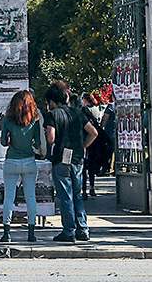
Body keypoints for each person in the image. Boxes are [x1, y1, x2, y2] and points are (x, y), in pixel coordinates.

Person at [44, 81, 98, 243]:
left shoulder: (52, 115)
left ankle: (69, 231)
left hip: (61, 157)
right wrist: (83, 146)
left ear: (52, 101)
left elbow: (51, 138)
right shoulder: (77, 113)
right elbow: (93, 132)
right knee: (77, 194)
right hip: (78, 157)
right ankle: (83, 228)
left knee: (65, 195)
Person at [0, 89, 43, 243]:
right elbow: (37, 143)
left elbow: (3, 142)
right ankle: (31, 233)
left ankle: (6, 233)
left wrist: (11, 140)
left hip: (11, 160)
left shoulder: (8, 120)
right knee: (31, 197)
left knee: (9, 197)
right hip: (29, 161)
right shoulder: (34, 120)